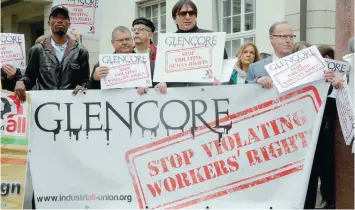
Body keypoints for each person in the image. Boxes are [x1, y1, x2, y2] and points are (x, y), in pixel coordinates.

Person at [14, 5, 90, 102]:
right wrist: (21, 81)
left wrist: (83, 86)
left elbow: (85, 80)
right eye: (55, 17)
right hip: (45, 105)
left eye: (63, 18)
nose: (59, 21)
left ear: (69, 23)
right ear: (49, 23)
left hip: (71, 106)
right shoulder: (37, 50)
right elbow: (30, 77)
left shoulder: (81, 51)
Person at [245, 21, 335, 87]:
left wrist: (327, 80)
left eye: (291, 37)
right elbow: (244, 93)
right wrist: (257, 81)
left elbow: (322, 92)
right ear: (271, 38)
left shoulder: (306, 65)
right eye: (284, 36)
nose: (288, 40)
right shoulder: (255, 68)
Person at [303, 45, 339, 209]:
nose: (326, 60)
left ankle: (329, 199)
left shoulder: (336, 79)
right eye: (322, 56)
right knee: (311, 172)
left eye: (329, 57)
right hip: (309, 132)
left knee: (328, 167)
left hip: (328, 131)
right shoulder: (311, 79)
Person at [88, 26, 167, 95]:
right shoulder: (102, 65)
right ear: (113, 43)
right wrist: (94, 79)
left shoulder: (145, 62)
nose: (125, 42)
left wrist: (158, 85)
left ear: (132, 40)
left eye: (127, 39)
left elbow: (158, 83)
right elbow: (90, 93)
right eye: (120, 40)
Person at [167, 0, 227, 87]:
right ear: (174, 20)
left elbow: (224, 67)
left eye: (191, 13)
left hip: (206, 92)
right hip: (175, 95)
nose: (188, 17)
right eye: (183, 13)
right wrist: (161, 83)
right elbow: (162, 74)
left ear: (196, 17)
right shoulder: (167, 43)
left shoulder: (211, 38)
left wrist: (222, 81)